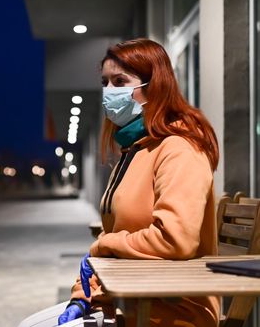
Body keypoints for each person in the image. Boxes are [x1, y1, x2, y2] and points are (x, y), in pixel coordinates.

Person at [58, 39, 220, 327]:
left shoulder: (179, 149)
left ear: (154, 85)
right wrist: (81, 295)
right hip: (127, 301)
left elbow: (175, 239)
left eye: (120, 81)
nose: (109, 92)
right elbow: (121, 241)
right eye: (105, 82)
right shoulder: (133, 151)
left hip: (172, 311)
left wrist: (102, 246)